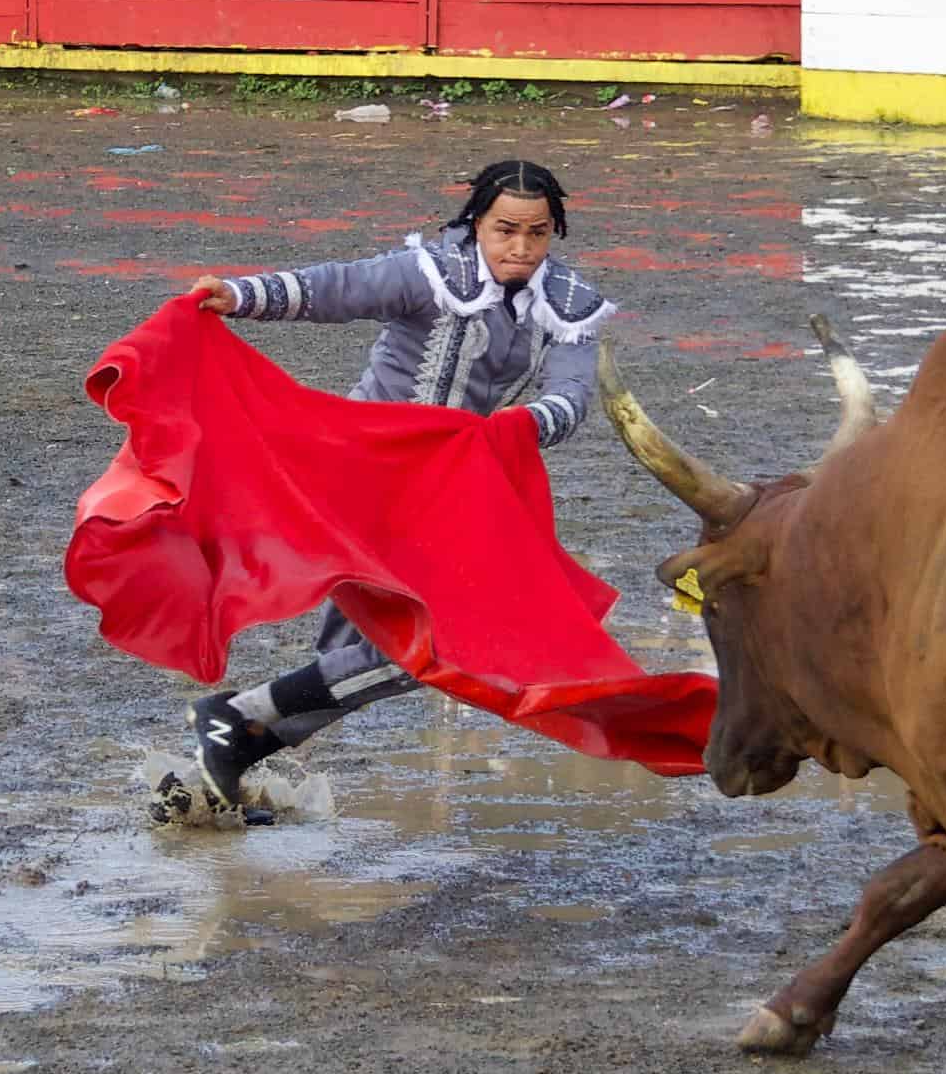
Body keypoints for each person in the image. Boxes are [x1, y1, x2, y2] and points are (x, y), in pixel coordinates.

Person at [172, 159, 616, 812]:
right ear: (477, 224)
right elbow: (337, 289)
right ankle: (237, 720)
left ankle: (227, 755)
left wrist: (520, 428)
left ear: (556, 232)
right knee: (439, 650)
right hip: (366, 479)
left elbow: (572, 397)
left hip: (452, 495)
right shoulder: (430, 272)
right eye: (505, 231)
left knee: (366, 655)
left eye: (538, 233)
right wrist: (242, 295)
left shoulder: (570, 302)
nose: (520, 248)